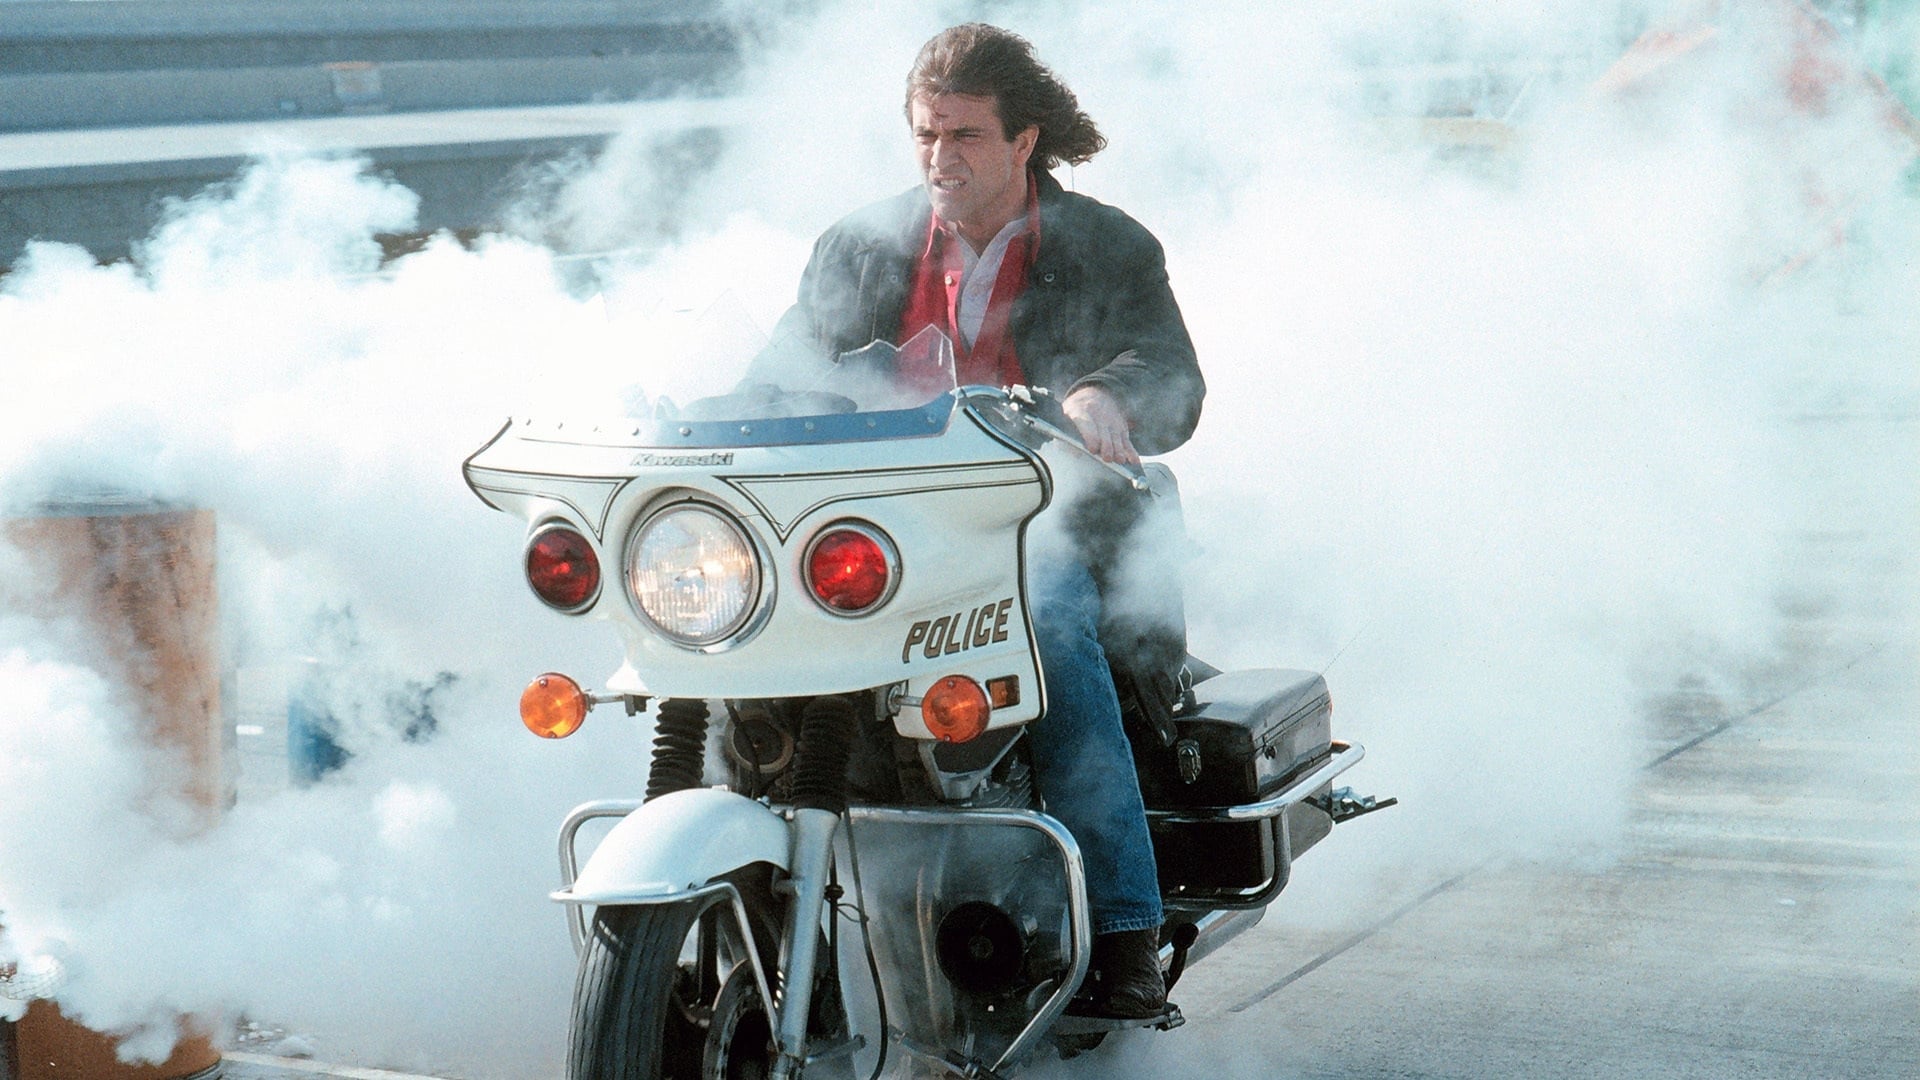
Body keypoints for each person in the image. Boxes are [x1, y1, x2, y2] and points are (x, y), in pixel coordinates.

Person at [769, 22, 1204, 1019]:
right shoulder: (859, 247)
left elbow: (1173, 371)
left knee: (1047, 623)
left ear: (1023, 140)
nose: (940, 157)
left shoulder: (1107, 245)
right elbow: (782, 369)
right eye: (926, 134)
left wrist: (1105, 394)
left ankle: (1124, 928)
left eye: (964, 135)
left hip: (1040, 521)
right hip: (878, 527)